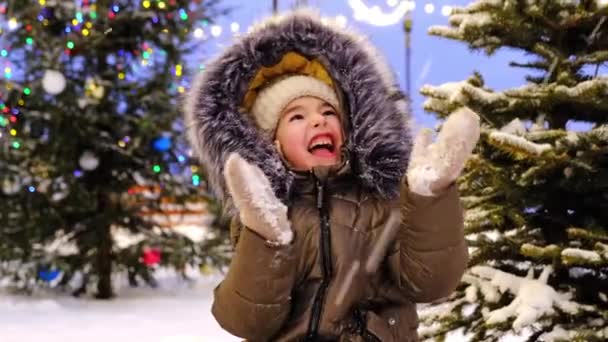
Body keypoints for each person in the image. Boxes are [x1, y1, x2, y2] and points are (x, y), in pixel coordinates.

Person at [185, 9, 480, 342]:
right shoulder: (263, 213)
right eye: (296, 117)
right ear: (271, 143)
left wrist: (430, 200)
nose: (318, 121)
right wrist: (266, 238)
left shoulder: (380, 199)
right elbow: (247, 322)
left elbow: (429, 283)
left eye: (329, 112)